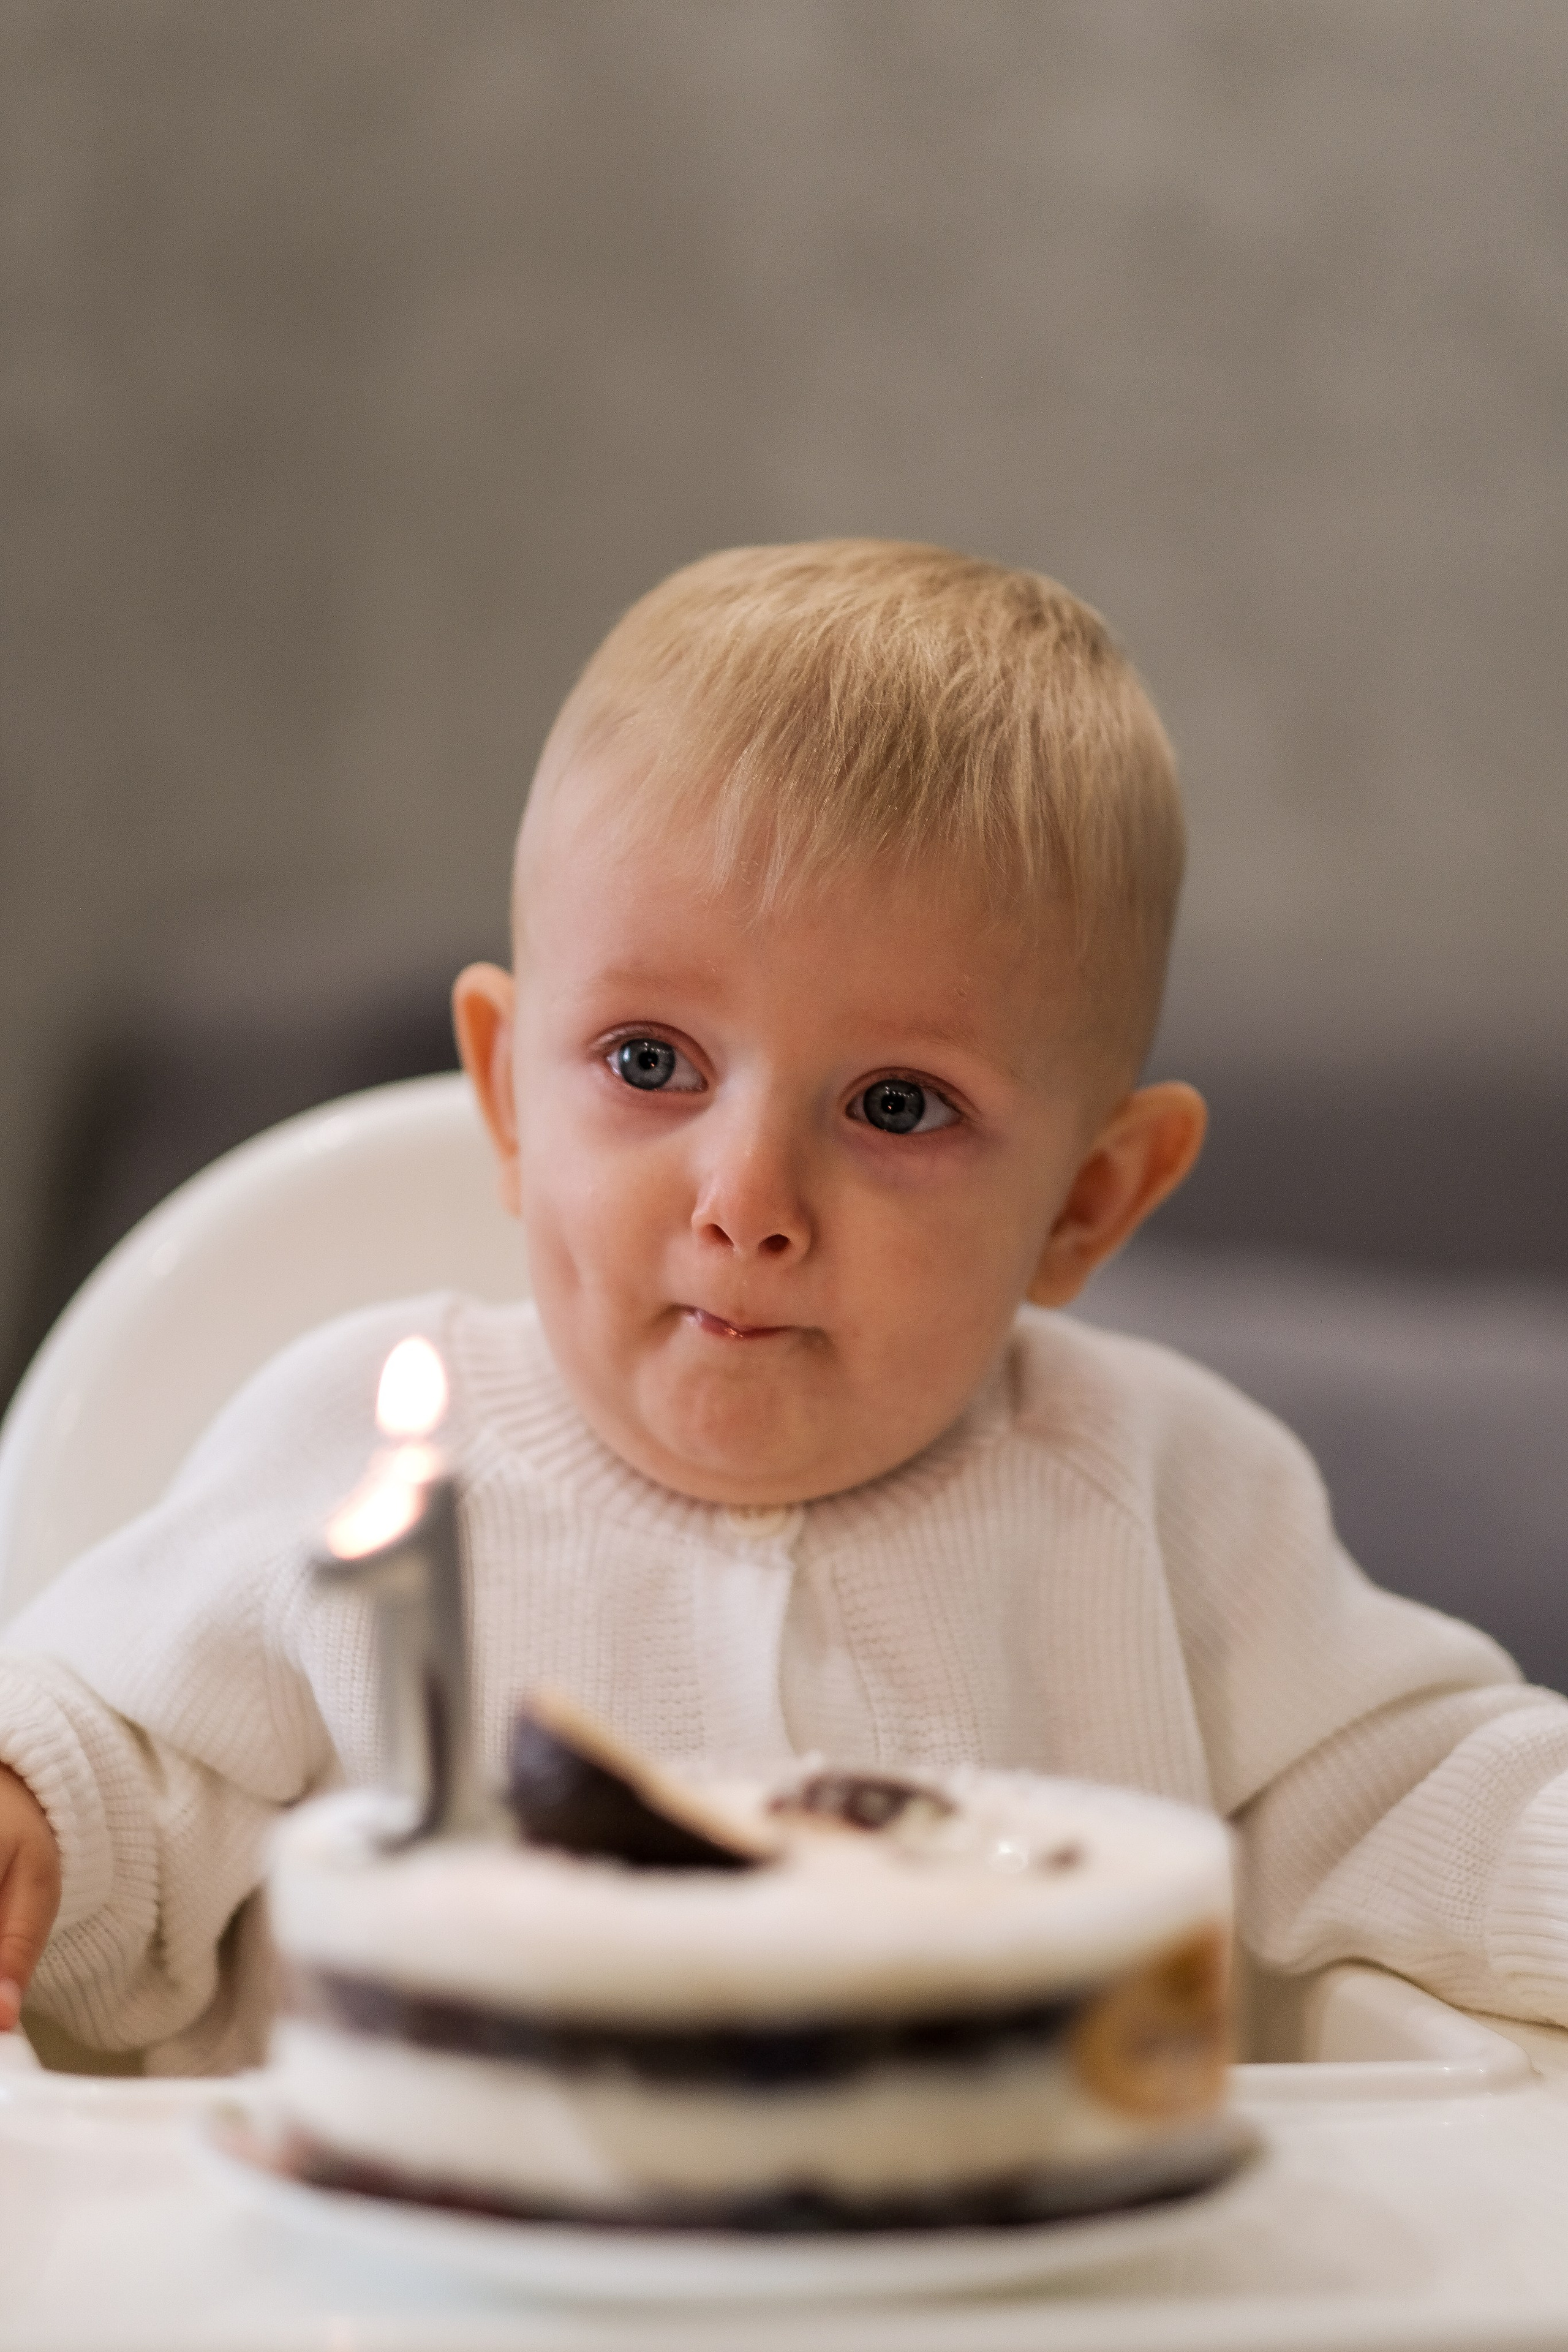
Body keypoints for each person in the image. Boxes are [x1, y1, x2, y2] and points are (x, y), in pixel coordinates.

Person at [2, 539, 1566, 2075]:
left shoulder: (1163, 1502)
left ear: (1088, 1201)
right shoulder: (356, 1465)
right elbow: (118, 1764)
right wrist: (34, 1813)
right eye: (645, 1063)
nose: (745, 1198)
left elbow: (1425, 1796)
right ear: (506, 1097)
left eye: (895, 1104)